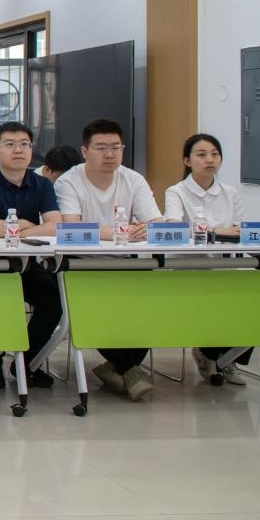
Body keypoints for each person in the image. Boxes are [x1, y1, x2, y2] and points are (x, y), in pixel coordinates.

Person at [56, 118, 164, 401]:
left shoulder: (133, 179)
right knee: (101, 306)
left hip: (127, 262)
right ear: (85, 151)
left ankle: (117, 368)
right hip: (82, 264)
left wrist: (143, 229)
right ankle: (130, 371)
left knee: (149, 301)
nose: (109, 154)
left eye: (116, 147)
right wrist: (119, 231)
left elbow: (155, 222)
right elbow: (71, 229)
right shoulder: (69, 181)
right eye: (101, 148)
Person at [0, 121, 63, 389]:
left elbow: (55, 225)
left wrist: (18, 228)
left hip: (26, 266)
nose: (19, 150)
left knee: (54, 301)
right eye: (10, 145)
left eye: (24, 144)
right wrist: (27, 226)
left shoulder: (41, 184)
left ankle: (27, 363)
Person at [164, 133, 249, 385]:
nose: (209, 159)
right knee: (213, 297)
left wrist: (208, 231)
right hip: (187, 269)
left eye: (214, 154)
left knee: (253, 296)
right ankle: (208, 354)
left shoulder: (230, 192)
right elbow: (175, 229)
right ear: (187, 160)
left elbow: (239, 230)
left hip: (224, 267)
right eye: (201, 155)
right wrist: (220, 232)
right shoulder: (176, 192)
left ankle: (226, 358)